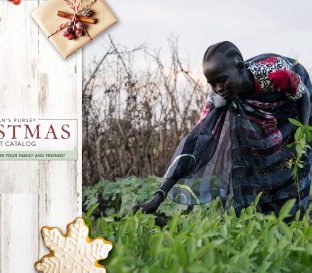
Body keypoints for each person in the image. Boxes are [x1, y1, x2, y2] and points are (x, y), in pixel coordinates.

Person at [133, 41, 312, 217]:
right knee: (258, 162)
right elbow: (194, 145)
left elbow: (302, 96)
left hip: (292, 101)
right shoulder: (217, 101)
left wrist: (302, 137)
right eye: (212, 84)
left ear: (240, 67)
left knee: (297, 158)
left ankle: (296, 217)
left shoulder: (273, 72)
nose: (218, 89)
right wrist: (158, 196)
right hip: (261, 114)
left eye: (222, 80)